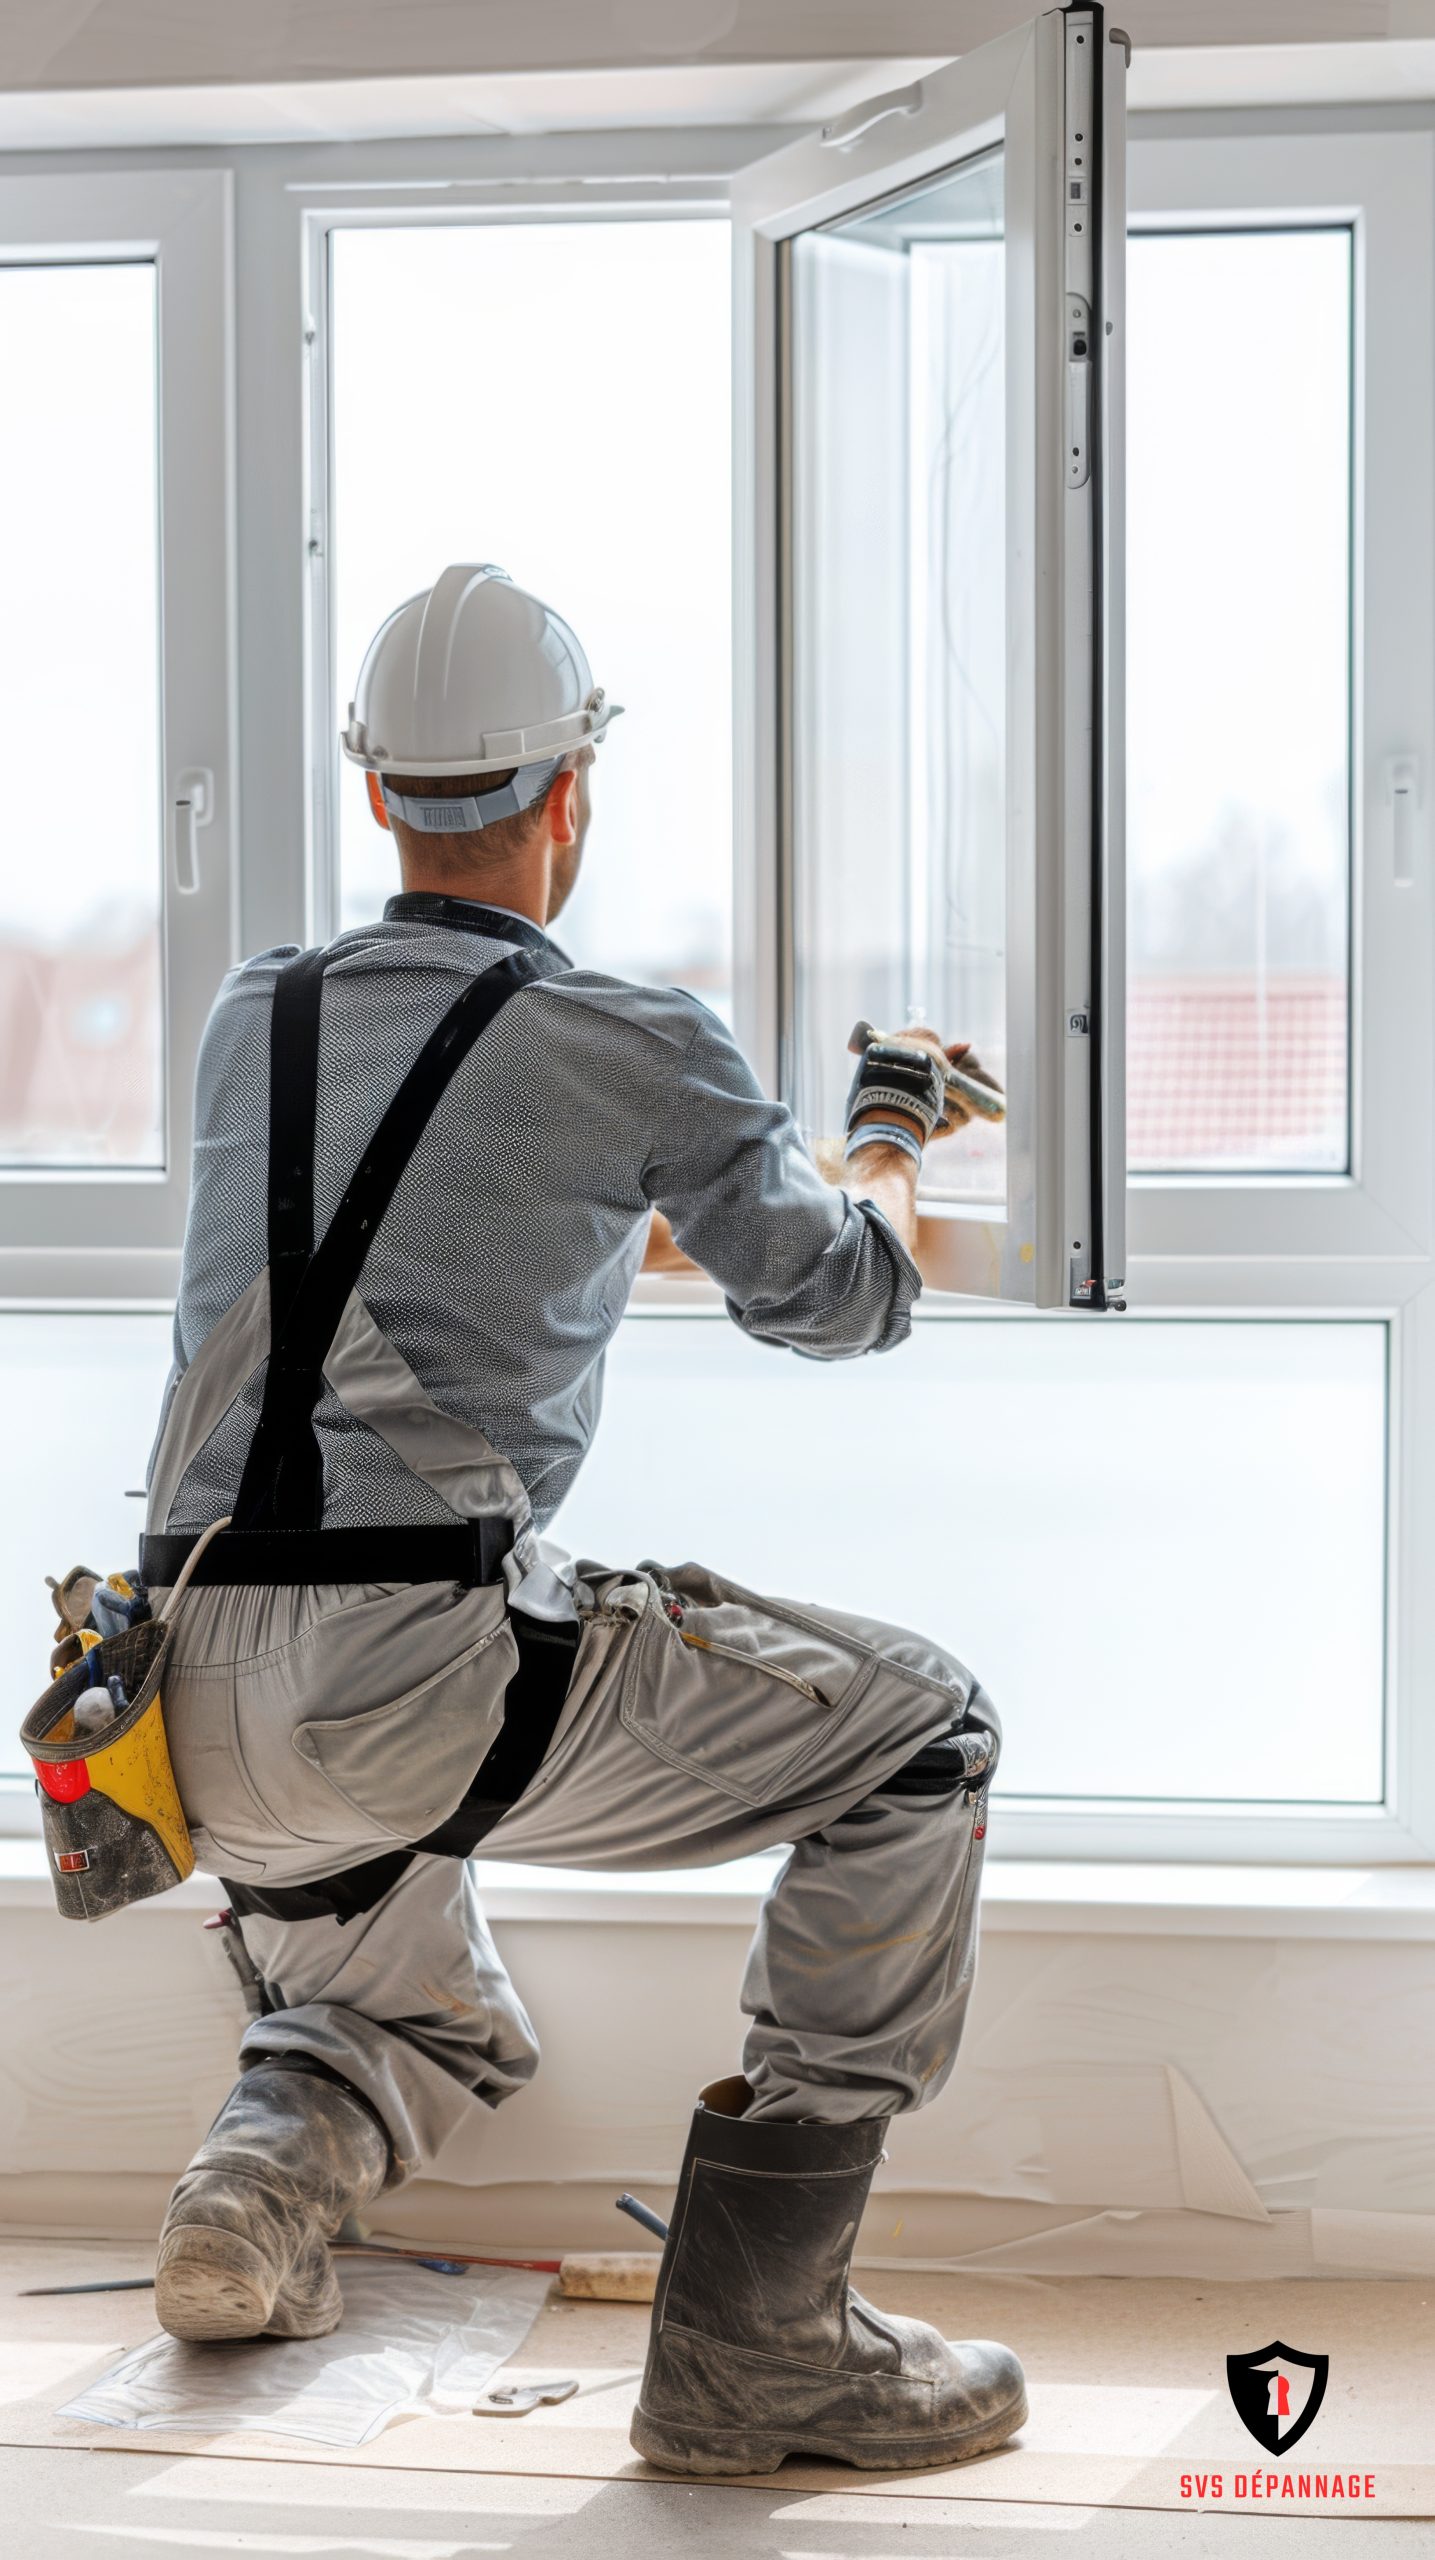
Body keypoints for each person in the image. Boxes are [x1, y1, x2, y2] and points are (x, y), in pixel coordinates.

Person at [143, 563, 1025, 2476]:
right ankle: (761, 2342)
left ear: (377, 797)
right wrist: (882, 1126)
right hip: (415, 1665)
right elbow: (841, 1298)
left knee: (392, 1962)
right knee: (925, 1732)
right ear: (573, 797)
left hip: (180, 1694)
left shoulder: (245, 1018)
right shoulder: (633, 1034)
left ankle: (254, 2196)